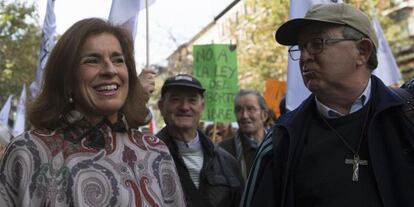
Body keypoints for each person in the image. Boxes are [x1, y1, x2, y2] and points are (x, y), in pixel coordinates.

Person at [241, 3, 414, 207]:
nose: (304, 57)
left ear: (362, 51)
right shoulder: (282, 139)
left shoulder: (407, 114)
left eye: (316, 43)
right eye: (300, 47)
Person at [0, 18, 185, 206]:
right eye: (93, 60)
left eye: (118, 60)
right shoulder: (28, 152)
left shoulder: (154, 150)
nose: (110, 70)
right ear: (67, 77)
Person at [156, 74, 244, 207]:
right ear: (161, 106)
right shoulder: (145, 158)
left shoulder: (228, 162)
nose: (184, 107)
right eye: (175, 99)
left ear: (202, 107)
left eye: (192, 100)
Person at [219, 89, 269, 180]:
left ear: (264, 115)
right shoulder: (222, 150)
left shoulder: (276, 146)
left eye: (251, 109)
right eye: (239, 110)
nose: (244, 116)